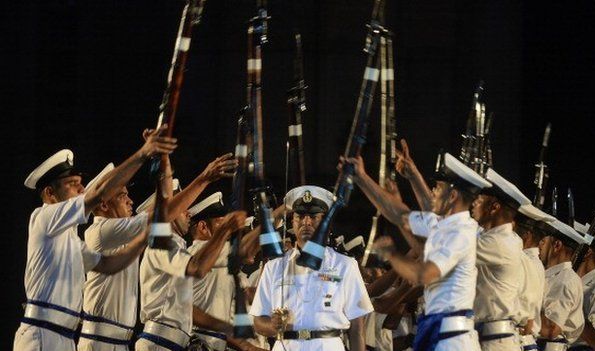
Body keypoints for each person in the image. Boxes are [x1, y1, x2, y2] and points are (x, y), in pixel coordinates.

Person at [14, 126, 177, 351]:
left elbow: (110, 264)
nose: (81, 189)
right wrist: (143, 153)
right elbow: (98, 193)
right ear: (50, 194)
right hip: (42, 334)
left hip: (64, 336)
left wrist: (144, 237)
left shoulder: (70, 238)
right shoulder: (43, 217)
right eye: (72, 184)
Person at [78, 153, 238, 350]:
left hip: (119, 342)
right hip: (101, 343)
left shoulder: (126, 235)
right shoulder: (101, 232)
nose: (130, 201)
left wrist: (165, 164)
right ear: (103, 204)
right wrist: (204, 178)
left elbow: (164, 209)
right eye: (122, 196)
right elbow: (163, 214)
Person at [346, 149, 492, 351]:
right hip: (437, 331)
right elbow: (401, 215)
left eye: (439, 188)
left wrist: (392, 255)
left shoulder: (460, 233)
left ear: (453, 196)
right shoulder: (442, 224)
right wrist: (361, 178)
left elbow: (424, 274)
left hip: (452, 339)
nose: (434, 193)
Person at [250, 185, 373, 351]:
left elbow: (357, 327)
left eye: (314, 217)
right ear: (292, 222)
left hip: (328, 344)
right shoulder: (275, 266)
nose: (306, 222)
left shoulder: (345, 265)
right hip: (286, 345)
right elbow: (258, 322)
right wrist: (273, 325)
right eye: (299, 216)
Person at [470, 168, 531, 350]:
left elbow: (452, 245)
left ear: (495, 207)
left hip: (495, 341)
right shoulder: (499, 238)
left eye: (479, 200)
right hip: (489, 336)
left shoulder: (499, 242)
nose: (473, 204)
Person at [537, 219, 586, 350]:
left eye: (543, 241)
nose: (538, 246)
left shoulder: (564, 280)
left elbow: (551, 329)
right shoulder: (555, 276)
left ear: (557, 245)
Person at [514, 203, 555, 350]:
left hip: (527, 340)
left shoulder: (525, 261)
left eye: (513, 230)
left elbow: (553, 330)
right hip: (527, 341)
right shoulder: (535, 264)